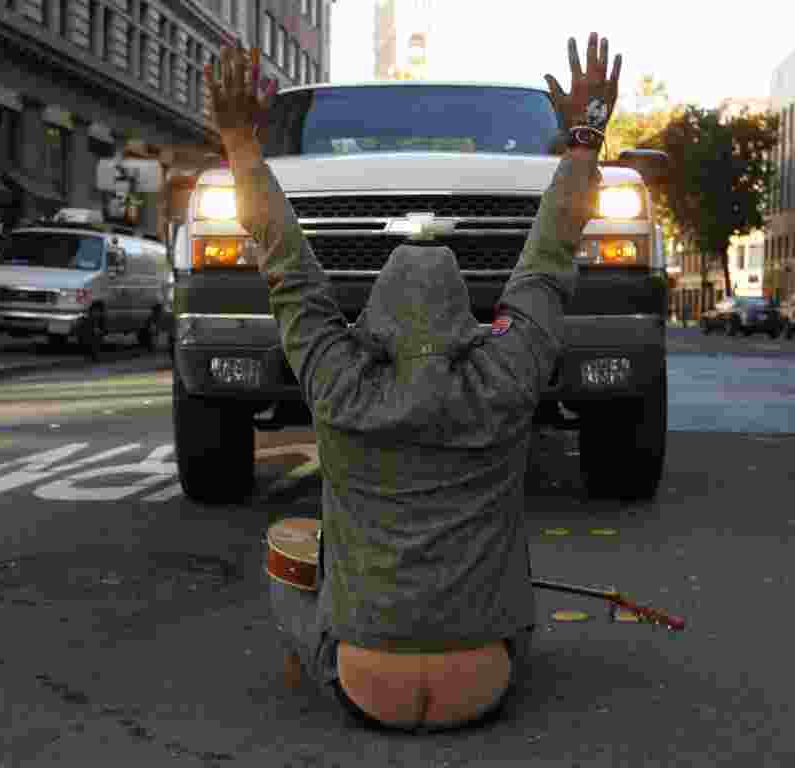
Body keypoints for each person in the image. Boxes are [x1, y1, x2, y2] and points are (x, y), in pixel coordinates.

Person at [205, 36, 621, 731]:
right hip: (490, 682)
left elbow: (285, 260)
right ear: (467, 319)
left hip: (361, 685)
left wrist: (238, 140)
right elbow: (549, 255)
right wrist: (584, 139)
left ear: (371, 318)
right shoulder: (506, 375)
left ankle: (316, 657)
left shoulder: (338, 380)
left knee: (291, 543)